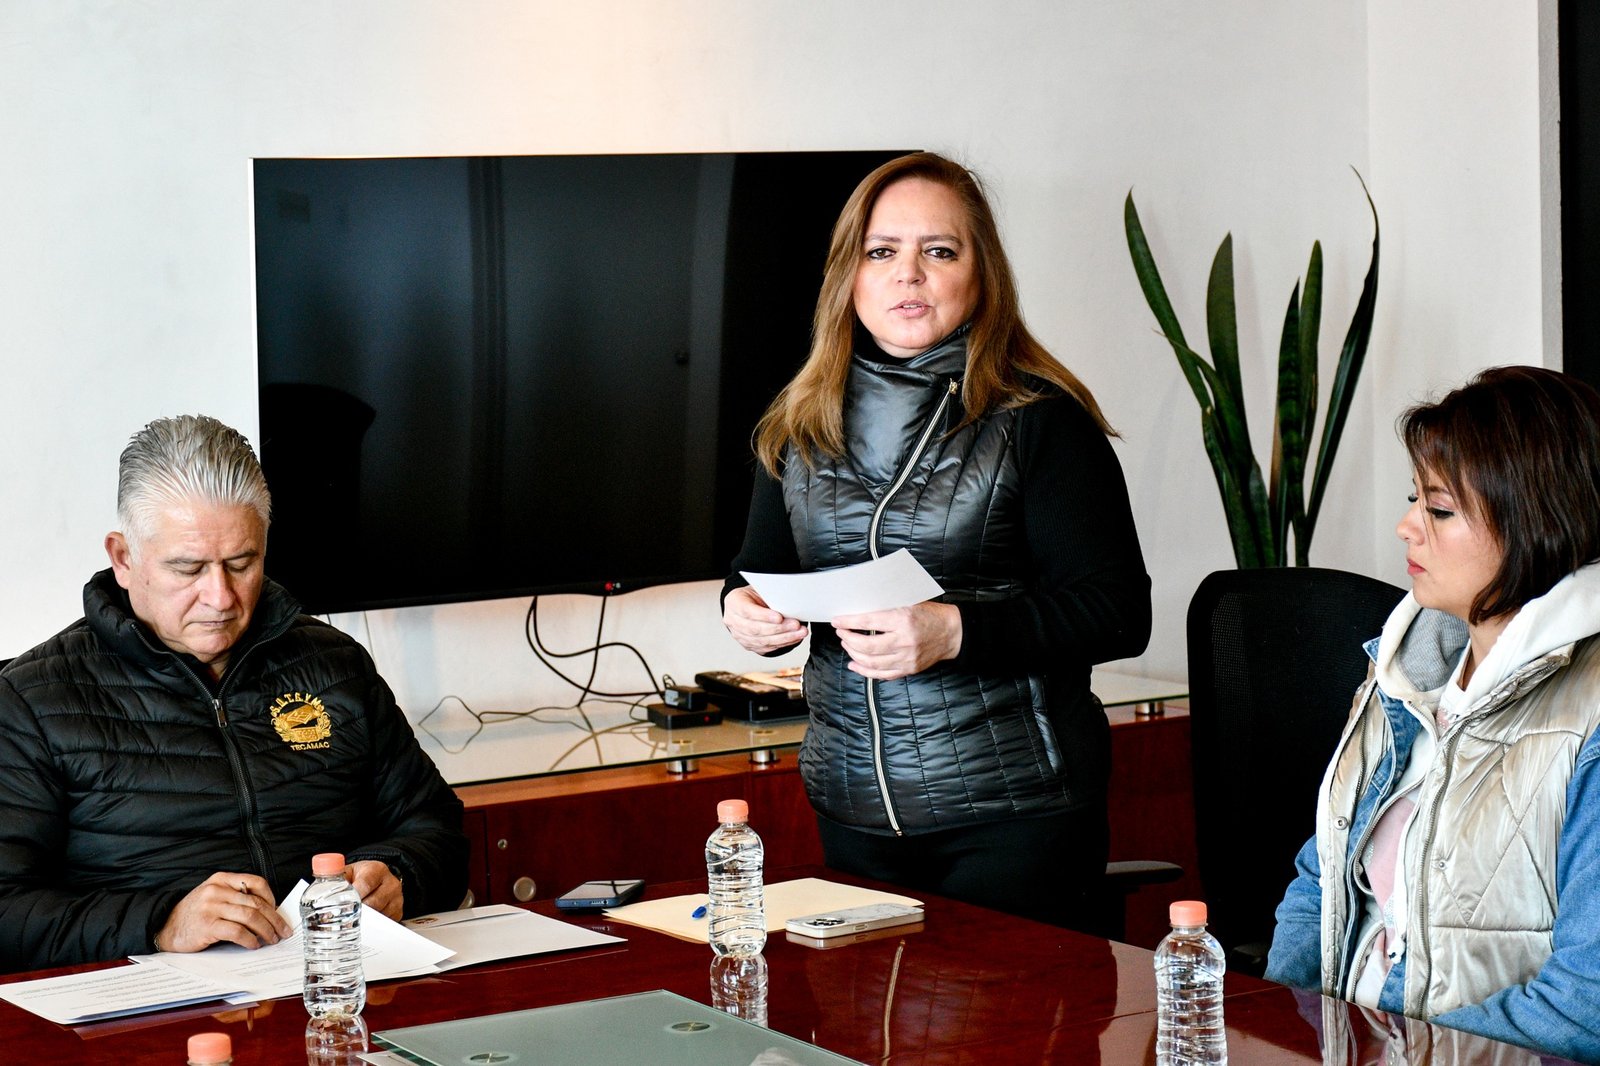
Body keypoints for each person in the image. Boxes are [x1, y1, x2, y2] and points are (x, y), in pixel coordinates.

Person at [721, 152, 1151, 929]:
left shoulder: (1041, 421)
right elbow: (757, 573)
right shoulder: (798, 423)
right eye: (881, 251)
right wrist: (744, 611)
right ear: (849, 276)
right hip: (852, 815)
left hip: (1014, 818)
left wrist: (954, 631)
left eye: (939, 251)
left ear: (981, 274)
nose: (908, 274)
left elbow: (1118, 613)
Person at [0, 415, 468, 972]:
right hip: (157, 1008)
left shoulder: (335, 665)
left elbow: (438, 831)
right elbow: (7, 911)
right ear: (123, 558)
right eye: (188, 568)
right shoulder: (32, 701)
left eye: (241, 564)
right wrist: (162, 923)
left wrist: (400, 875)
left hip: (341, 981)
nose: (220, 597)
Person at [1265, 366, 1600, 1063]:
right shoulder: (1401, 678)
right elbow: (1321, 881)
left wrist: (1401, 1054)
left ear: (1537, 522)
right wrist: (1275, 1031)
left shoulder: (1590, 713)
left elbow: (1583, 1005)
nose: (1406, 527)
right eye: (1414, 499)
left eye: (1439, 510)